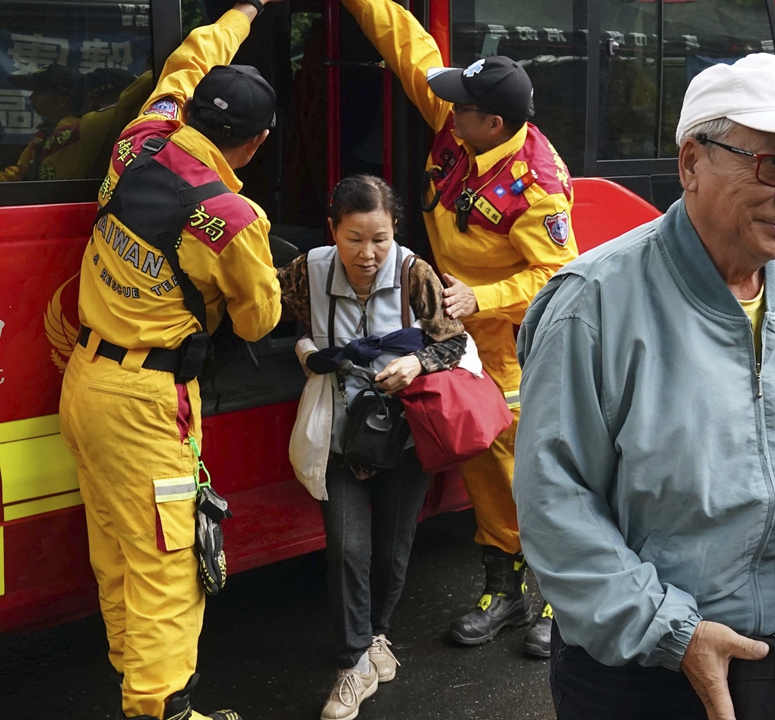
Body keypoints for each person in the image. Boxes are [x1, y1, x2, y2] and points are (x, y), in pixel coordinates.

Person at [513, 53, 775, 720]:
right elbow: (554, 504)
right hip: (642, 668)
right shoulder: (594, 303)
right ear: (692, 162)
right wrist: (675, 633)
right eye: (774, 164)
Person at [57, 3, 283, 719]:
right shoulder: (234, 219)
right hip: (147, 400)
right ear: (256, 143)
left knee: (116, 548)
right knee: (165, 562)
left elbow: (187, 60)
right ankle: (163, 708)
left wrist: (242, 10)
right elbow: (260, 318)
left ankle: (138, 679)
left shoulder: (139, 140)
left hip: (85, 380)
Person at [340, 0, 578, 657]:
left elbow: (558, 276)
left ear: (492, 122)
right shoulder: (459, 123)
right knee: (479, 456)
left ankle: (562, 598)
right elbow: (409, 47)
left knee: (535, 467)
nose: (448, 108)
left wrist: (484, 296)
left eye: (462, 106)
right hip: (458, 331)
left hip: (515, 340)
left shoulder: (539, 188)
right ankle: (502, 591)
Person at [278, 175, 468, 720]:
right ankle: (353, 663)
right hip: (337, 432)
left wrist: (418, 362)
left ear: (395, 233)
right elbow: (264, 314)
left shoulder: (414, 273)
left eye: (379, 239)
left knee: (392, 547)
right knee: (347, 548)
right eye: (354, 238)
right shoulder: (307, 271)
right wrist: (306, 347)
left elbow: (454, 340)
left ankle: (375, 637)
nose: (367, 254)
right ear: (332, 230)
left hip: (403, 435)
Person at [1, 64, 83, 181]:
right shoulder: (46, 131)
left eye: (39, 91)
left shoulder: (77, 132)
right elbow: (20, 172)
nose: (31, 97)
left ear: (63, 101)